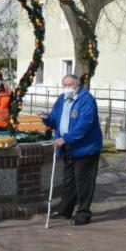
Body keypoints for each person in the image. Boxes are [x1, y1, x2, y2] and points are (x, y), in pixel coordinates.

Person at [39, 74, 102, 226]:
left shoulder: (87, 100)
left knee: (83, 181)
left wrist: (65, 138)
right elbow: (55, 118)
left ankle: (83, 213)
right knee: (69, 180)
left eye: (70, 85)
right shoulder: (62, 99)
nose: (67, 88)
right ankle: (65, 210)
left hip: (85, 148)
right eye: (64, 85)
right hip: (68, 147)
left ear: (77, 85)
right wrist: (47, 118)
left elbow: (84, 125)